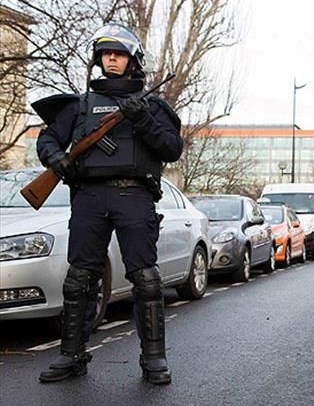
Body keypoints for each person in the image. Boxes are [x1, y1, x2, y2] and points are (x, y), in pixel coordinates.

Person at [36, 23, 182, 385]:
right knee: (79, 280)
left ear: (133, 59)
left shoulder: (152, 106)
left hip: (134, 196)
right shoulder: (81, 105)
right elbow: (48, 138)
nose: (111, 59)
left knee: (146, 280)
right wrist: (56, 158)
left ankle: (154, 359)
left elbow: (172, 149)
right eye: (105, 54)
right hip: (88, 197)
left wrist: (143, 119)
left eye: (118, 53)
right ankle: (71, 355)